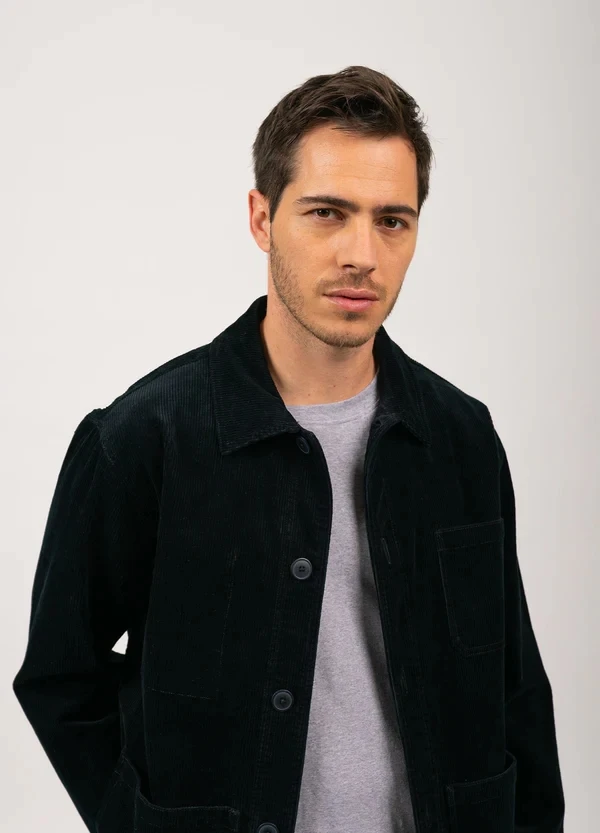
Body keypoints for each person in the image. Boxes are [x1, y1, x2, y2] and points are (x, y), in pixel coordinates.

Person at [13, 65, 565, 833]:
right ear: (262, 218)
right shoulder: (143, 438)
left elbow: (514, 689)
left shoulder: (461, 438)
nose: (362, 253)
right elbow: (59, 677)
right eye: (328, 213)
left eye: (392, 220)